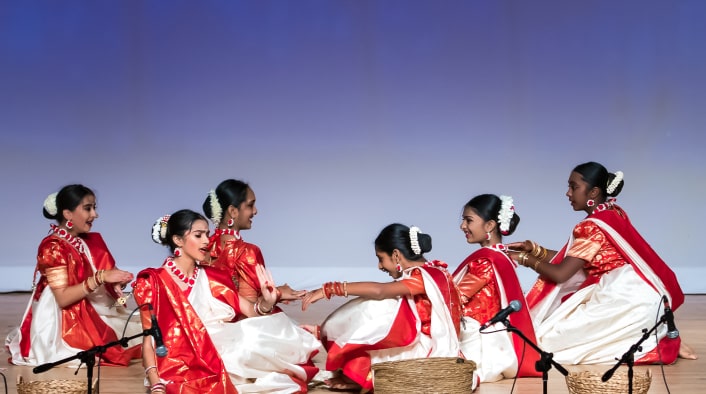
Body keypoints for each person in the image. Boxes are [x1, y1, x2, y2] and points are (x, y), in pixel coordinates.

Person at [508, 162, 696, 365]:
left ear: (594, 192)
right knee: (553, 333)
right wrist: (535, 250)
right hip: (642, 298)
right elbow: (577, 258)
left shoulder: (591, 227)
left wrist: (524, 259)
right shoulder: (613, 212)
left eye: (574, 187)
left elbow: (562, 273)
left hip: (625, 300)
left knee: (545, 343)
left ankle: (658, 345)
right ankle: (659, 336)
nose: (568, 193)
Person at [133, 210, 321, 393]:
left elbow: (250, 310)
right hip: (182, 357)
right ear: (178, 240)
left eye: (207, 234)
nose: (207, 240)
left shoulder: (212, 276)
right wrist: (156, 383)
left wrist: (267, 302)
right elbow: (148, 341)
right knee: (240, 355)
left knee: (257, 336)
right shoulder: (153, 282)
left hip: (220, 341)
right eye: (198, 235)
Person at [301, 223, 465, 392]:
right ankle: (337, 345)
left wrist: (329, 289)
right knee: (390, 302)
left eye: (381, 258)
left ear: (396, 255)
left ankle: (359, 375)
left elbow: (380, 291)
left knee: (377, 303)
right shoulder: (434, 271)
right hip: (428, 342)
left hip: (431, 351)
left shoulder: (423, 276)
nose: (379, 266)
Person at [5, 184, 141, 367]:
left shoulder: (87, 241)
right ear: (67, 214)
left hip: (89, 306)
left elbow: (104, 274)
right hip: (64, 316)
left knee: (144, 333)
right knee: (117, 345)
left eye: (94, 208)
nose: (94, 214)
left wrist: (117, 282)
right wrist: (101, 278)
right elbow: (62, 298)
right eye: (87, 208)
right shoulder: (53, 247)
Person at [452, 194, 541, 382]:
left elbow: (456, 297)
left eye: (468, 220)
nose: (463, 226)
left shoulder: (485, 261)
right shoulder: (502, 255)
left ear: (490, 225)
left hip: (477, 336)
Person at [203, 179, 305, 312]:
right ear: (233, 211)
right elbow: (249, 309)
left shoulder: (203, 248)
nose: (255, 211)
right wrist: (278, 293)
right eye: (250, 205)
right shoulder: (247, 252)